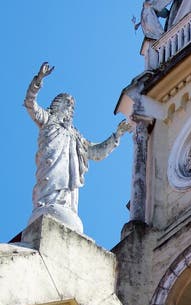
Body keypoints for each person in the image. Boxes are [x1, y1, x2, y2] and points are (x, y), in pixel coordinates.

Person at [24, 62, 130, 232]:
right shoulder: (48, 119)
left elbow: (96, 152)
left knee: (67, 195)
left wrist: (117, 135)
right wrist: (38, 80)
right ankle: (47, 207)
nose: (70, 109)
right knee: (49, 189)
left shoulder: (76, 136)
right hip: (50, 166)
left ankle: (63, 210)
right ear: (56, 105)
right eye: (66, 104)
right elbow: (30, 103)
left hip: (68, 176)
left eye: (72, 107)